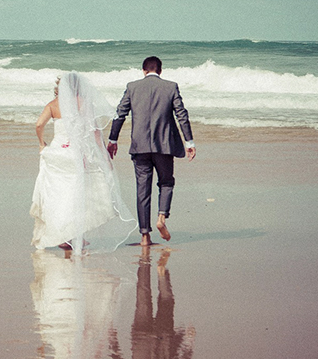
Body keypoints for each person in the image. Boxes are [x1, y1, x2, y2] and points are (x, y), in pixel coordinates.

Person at [30, 71, 136, 254]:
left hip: (57, 154)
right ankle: (73, 235)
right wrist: (104, 156)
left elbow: (39, 125)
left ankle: (64, 236)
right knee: (77, 194)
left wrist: (42, 144)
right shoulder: (85, 104)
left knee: (59, 195)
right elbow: (95, 132)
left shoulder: (53, 105)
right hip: (78, 154)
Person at [107, 56, 195, 245]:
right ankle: (161, 218)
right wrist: (189, 142)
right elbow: (182, 115)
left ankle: (145, 236)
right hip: (164, 147)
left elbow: (119, 113)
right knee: (166, 182)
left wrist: (113, 139)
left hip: (139, 147)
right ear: (160, 71)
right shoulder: (171, 87)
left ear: (144, 70)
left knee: (142, 189)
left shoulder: (132, 87)